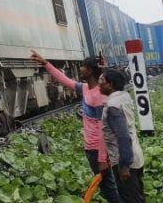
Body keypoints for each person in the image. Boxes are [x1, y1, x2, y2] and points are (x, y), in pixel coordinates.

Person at [29, 51, 118, 203]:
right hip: (91, 148)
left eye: (82, 66)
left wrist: (103, 157)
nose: (80, 68)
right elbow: (64, 80)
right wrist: (46, 63)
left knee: (109, 187)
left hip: (98, 150)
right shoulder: (85, 88)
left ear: (89, 71)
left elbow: (104, 128)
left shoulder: (98, 95)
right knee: (105, 186)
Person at [99, 68, 146, 203]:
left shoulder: (113, 105)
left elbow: (123, 136)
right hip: (135, 155)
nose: (99, 84)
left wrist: (124, 165)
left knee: (130, 199)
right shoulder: (124, 96)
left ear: (111, 84)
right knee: (138, 196)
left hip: (125, 161)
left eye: (102, 80)